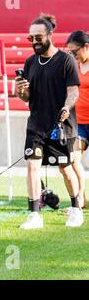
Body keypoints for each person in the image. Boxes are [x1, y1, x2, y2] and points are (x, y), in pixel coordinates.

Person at [16, 14, 84, 229]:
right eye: (31, 39)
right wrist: (21, 92)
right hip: (36, 124)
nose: (34, 42)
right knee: (32, 167)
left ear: (50, 35)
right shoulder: (29, 62)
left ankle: (76, 208)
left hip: (60, 125)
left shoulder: (66, 60)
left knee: (65, 168)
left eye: (38, 38)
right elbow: (26, 98)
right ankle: (34, 214)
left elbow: (73, 92)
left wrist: (66, 107)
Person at [66, 30, 89, 210]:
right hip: (79, 122)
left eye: (75, 52)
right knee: (73, 158)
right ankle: (80, 198)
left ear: (86, 47)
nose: (73, 56)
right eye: (71, 53)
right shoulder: (74, 66)